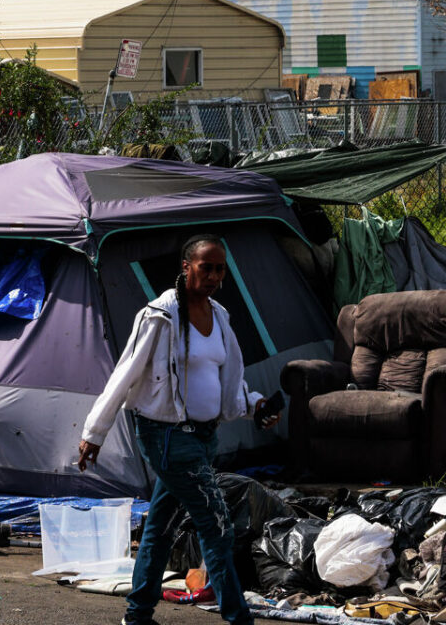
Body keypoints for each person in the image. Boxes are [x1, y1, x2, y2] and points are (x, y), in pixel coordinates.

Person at [76, 235, 278, 625]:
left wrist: (256, 405)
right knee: (216, 522)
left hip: (203, 438)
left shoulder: (220, 317)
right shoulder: (159, 316)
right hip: (167, 436)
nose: (214, 276)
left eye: (220, 269)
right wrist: (95, 432)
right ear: (186, 267)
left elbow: (227, 379)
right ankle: (239, 618)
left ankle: (137, 616)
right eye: (206, 267)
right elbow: (125, 373)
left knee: (161, 526)